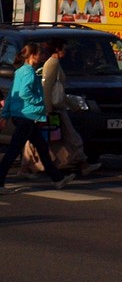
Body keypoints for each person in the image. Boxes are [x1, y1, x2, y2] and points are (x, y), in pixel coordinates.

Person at [0, 44, 75, 192]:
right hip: (26, 115)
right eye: (40, 54)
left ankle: (58, 178)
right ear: (33, 56)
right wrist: (39, 102)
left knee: (41, 147)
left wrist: (6, 114)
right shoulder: (29, 72)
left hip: (20, 115)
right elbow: (23, 93)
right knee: (13, 151)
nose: (42, 57)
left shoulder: (20, 71)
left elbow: (11, 95)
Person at [41, 39, 100, 176]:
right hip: (56, 110)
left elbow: (59, 91)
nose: (66, 52)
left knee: (56, 138)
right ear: (57, 49)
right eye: (64, 49)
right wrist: (48, 110)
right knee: (71, 137)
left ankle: (30, 166)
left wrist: (73, 106)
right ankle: (83, 164)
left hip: (58, 107)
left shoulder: (55, 63)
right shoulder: (53, 63)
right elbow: (47, 87)